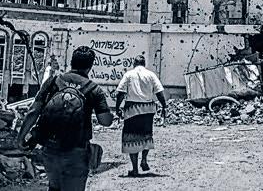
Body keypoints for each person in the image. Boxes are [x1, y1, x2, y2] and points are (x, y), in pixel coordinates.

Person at [17, 46, 113, 191]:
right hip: (77, 152)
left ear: (71, 62)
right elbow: (105, 121)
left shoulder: (53, 81)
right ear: (90, 66)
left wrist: (21, 137)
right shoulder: (94, 89)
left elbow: (33, 111)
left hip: (50, 150)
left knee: (54, 188)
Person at [116, 54, 167, 177]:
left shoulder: (128, 74)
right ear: (144, 64)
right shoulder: (151, 75)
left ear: (134, 63)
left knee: (131, 138)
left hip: (132, 109)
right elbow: (159, 92)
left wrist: (117, 107)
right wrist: (164, 106)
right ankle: (144, 160)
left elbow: (121, 92)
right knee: (146, 135)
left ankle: (135, 169)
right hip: (148, 108)